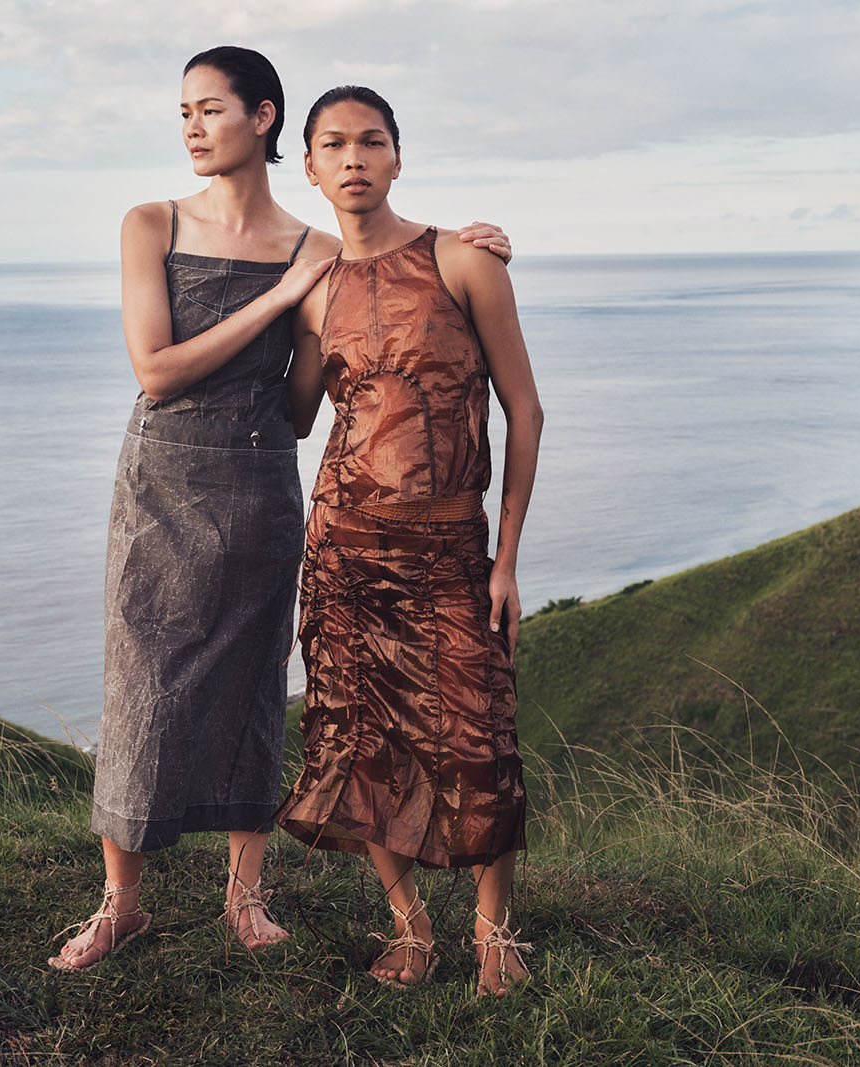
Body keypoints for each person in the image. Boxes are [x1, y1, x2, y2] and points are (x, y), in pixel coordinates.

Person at [49, 47, 512, 973]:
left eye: (208, 109)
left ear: (262, 120)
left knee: (259, 682)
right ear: (305, 149)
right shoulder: (153, 223)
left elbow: (357, 335)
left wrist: (480, 247)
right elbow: (156, 371)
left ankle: (245, 895)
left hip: (264, 481)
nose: (189, 126)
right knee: (141, 680)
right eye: (182, 111)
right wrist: (281, 302)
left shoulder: (318, 249)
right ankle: (119, 903)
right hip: (161, 478)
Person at [274, 85, 544, 997]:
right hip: (344, 547)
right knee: (359, 740)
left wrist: (506, 558)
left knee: (477, 739)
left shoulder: (464, 260)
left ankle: (494, 928)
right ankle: (411, 926)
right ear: (309, 167)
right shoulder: (313, 290)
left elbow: (525, 409)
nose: (354, 158)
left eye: (372, 142)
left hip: (450, 552)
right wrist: (274, 313)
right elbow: (299, 415)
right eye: (334, 145)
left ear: (397, 158)